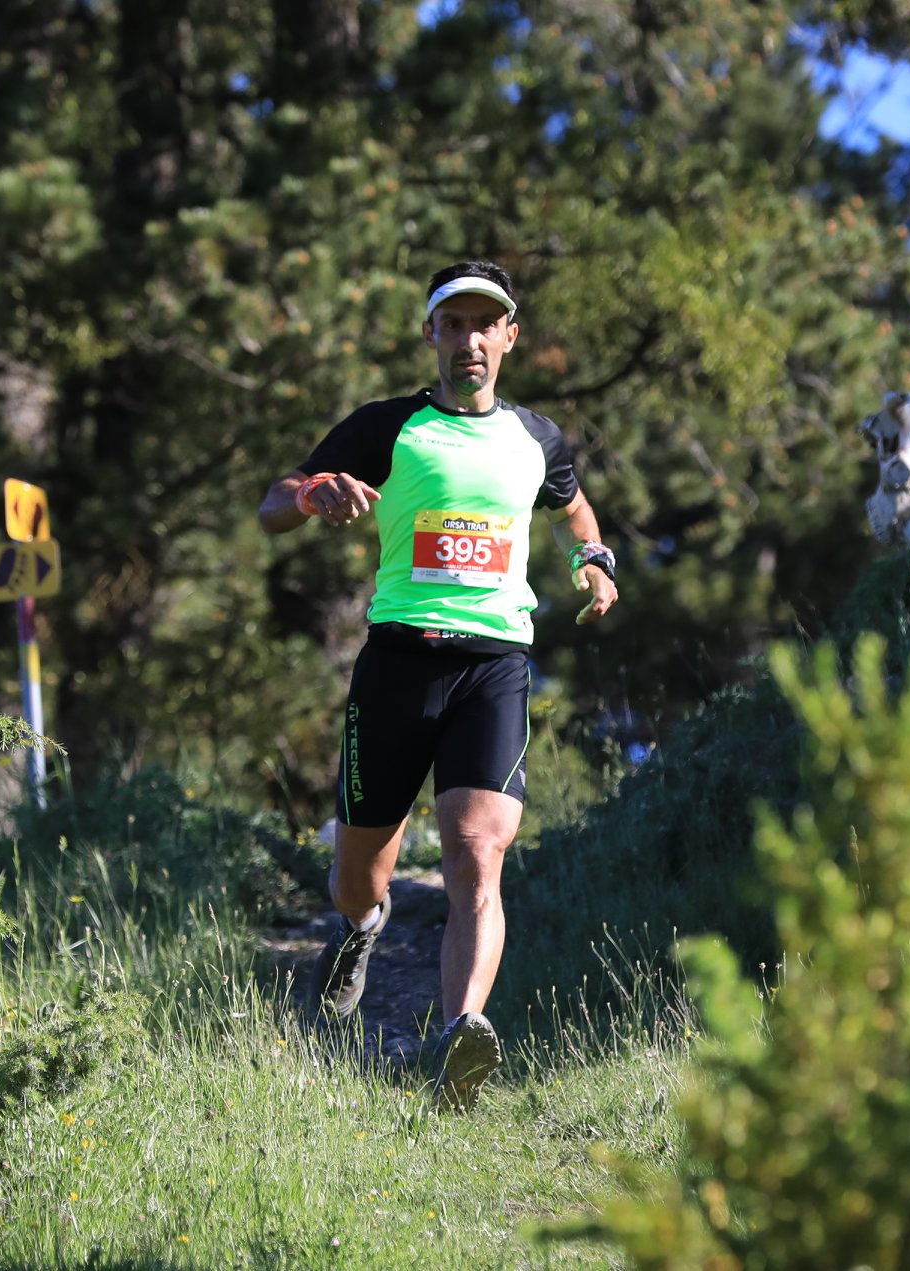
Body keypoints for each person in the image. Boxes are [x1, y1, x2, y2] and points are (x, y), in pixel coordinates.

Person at [257, 260, 618, 1110]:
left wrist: (594, 558)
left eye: (483, 323)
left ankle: (460, 1034)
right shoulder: (387, 425)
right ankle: (360, 927)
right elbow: (272, 505)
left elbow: (572, 505)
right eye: (451, 324)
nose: (468, 340)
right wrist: (313, 494)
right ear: (431, 334)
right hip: (397, 665)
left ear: (508, 337)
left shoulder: (536, 438)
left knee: (476, 851)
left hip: (493, 667)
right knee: (359, 875)